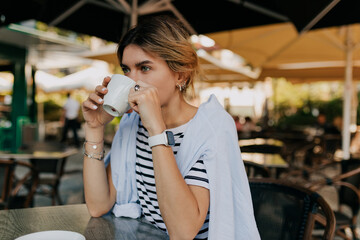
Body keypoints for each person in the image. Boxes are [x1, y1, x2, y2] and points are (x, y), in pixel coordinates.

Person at [82, 15, 260, 239]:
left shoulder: (207, 129)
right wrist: (94, 128)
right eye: (126, 70)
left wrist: (157, 131)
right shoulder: (132, 126)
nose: (132, 81)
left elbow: (183, 232)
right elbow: (98, 206)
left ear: (181, 75)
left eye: (145, 68)